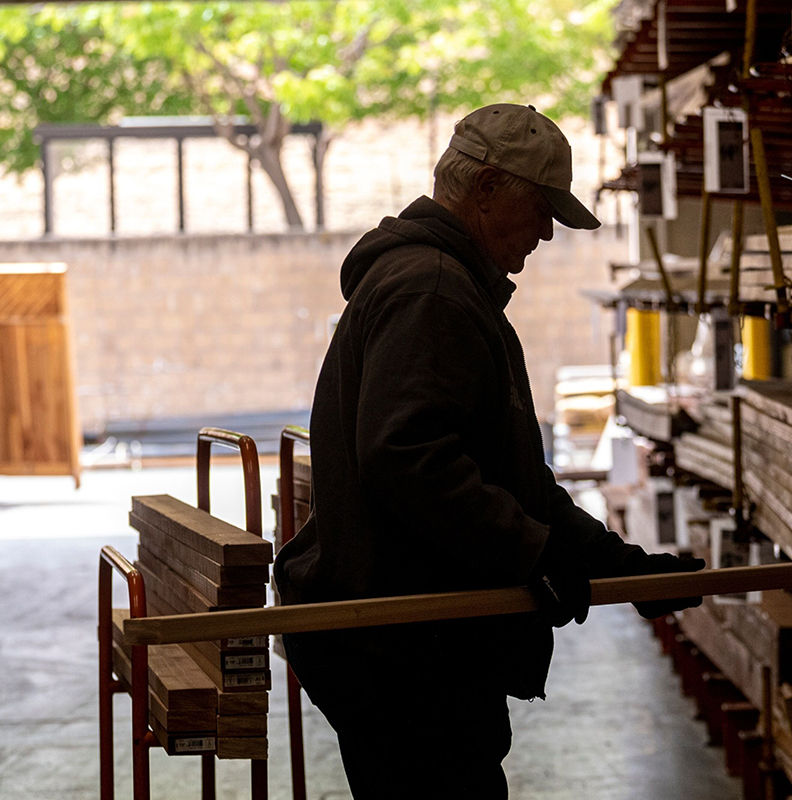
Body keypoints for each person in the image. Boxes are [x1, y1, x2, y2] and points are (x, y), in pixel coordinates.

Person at [274, 103, 704, 799]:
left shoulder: (445, 285)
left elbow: (508, 477)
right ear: (485, 188)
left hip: (414, 640)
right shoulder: (432, 290)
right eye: (539, 210)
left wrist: (611, 563)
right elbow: (407, 458)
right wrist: (535, 554)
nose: (545, 233)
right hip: (399, 643)